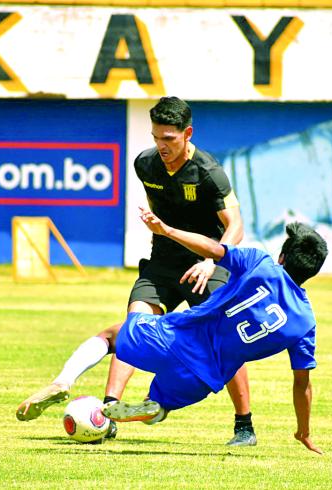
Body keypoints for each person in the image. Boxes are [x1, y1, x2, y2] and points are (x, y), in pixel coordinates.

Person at [16, 215, 328, 454]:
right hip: (205, 380)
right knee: (160, 403)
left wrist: (168, 231)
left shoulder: (261, 264)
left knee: (112, 336)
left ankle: (64, 381)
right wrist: (304, 430)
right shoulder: (305, 322)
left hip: (175, 339)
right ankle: (156, 407)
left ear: (282, 257)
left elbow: (213, 248)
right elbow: (302, 384)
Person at [106, 96, 252, 445]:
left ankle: (244, 424)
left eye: (169, 139)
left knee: (224, 335)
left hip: (207, 262)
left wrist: (211, 260)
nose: (162, 146)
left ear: (187, 133)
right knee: (135, 325)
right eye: (156, 137)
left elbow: (236, 226)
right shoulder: (145, 164)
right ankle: (108, 411)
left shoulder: (209, 172)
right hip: (164, 261)